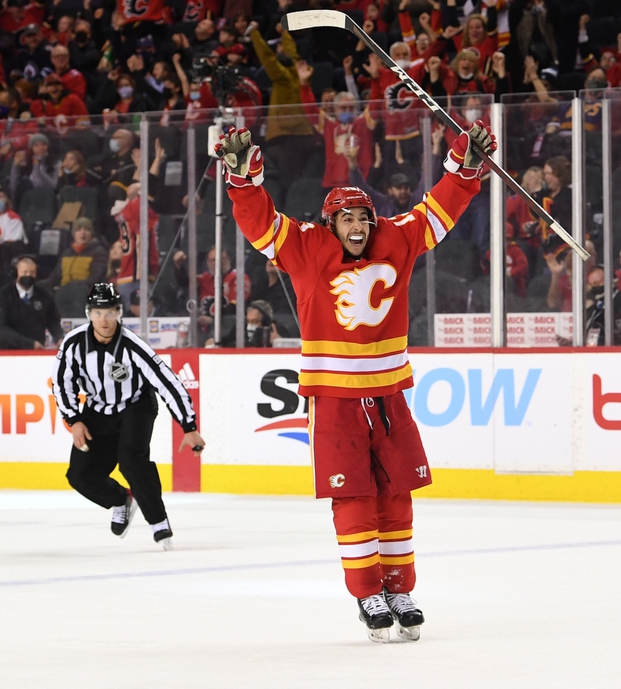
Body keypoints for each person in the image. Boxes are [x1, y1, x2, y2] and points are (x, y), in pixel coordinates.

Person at [218, 119, 494, 643]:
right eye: (347, 218)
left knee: (397, 493)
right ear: (331, 224)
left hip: (389, 395)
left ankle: (399, 587)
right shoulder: (304, 248)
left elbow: (440, 210)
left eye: (363, 217)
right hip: (336, 399)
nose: (358, 225)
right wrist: (243, 182)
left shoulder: (396, 239)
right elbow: (259, 224)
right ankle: (367, 592)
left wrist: (466, 165)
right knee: (355, 497)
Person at [53, 283, 205, 550]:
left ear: (119, 313)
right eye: (98, 313)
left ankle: (159, 523)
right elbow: (61, 383)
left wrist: (188, 426)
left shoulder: (133, 346)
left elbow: (167, 382)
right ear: (89, 314)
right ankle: (120, 499)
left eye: (110, 312)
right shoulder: (74, 344)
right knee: (79, 476)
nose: (104, 320)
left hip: (136, 406)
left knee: (132, 461)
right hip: (97, 410)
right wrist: (73, 420)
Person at [0, 255, 64, 350]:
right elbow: (1, 328)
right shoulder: (2, 296)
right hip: (7, 353)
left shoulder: (44, 295)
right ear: (15, 273)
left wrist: (59, 338)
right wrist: (29, 344)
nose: (28, 276)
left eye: (32, 272)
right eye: (24, 272)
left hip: (36, 353)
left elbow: (53, 321)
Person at [43, 218, 109, 290]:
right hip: (63, 292)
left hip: (85, 292)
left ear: (91, 234)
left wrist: (71, 286)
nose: (82, 233)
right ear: (73, 234)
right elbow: (56, 275)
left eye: (86, 229)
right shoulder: (66, 253)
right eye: (78, 230)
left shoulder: (98, 252)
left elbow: (96, 278)